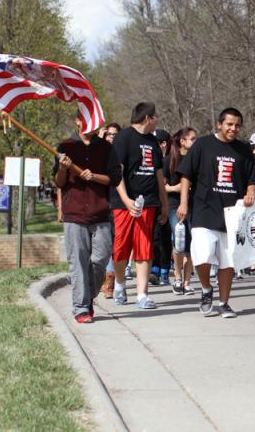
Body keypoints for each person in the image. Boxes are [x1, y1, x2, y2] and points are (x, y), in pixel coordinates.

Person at [177, 107, 255, 318]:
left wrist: (250, 193)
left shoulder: (244, 150)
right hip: (204, 210)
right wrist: (183, 203)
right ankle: (206, 289)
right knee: (202, 257)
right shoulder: (203, 145)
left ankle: (223, 303)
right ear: (219, 124)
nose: (233, 128)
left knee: (227, 262)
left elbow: (252, 180)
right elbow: (186, 176)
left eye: (237, 125)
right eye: (229, 124)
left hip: (232, 213)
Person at [54, 116, 121, 323]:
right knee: (78, 262)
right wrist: (63, 168)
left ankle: (88, 292)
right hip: (73, 213)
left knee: (100, 259)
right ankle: (81, 307)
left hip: (100, 212)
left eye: (95, 120)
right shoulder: (65, 146)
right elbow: (59, 182)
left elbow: (115, 178)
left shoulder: (106, 148)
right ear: (76, 121)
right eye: (86, 119)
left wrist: (95, 177)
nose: (91, 124)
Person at [110, 102, 169, 310]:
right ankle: (119, 284)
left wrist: (164, 203)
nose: (157, 119)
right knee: (120, 248)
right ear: (147, 118)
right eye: (155, 116)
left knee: (144, 248)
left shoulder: (153, 142)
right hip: (123, 204)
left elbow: (159, 175)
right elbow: (118, 172)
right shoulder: (123, 138)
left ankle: (142, 295)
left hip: (149, 203)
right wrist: (126, 200)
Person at [167, 127, 198, 295]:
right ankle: (177, 278)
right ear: (182, 141)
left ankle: (187, 282)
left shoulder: (197, 159)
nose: (195, 141)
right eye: (192, 138)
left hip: (195, 206)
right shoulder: (169, 160)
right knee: (179, 242)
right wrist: (175, 188)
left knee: (192, 244)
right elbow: (162, 186)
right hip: (174, 206)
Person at [100, 122, 122, 300]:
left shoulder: (121, 154)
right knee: (103, 245)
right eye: (109, 134)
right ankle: (105, 278)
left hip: (119, 203)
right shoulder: (98, 153)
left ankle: (111, 279)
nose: (112, 137)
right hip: (100, 203)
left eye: (115, 134)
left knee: (115, 244)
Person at [151, 129, 173, 286]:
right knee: (155, 237)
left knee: (165, 238)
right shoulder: (152, 160)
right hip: (153, 202)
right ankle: (155, 268)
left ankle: (163, 270)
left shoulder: (171, 161)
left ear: (163, 144)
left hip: (170, 204)